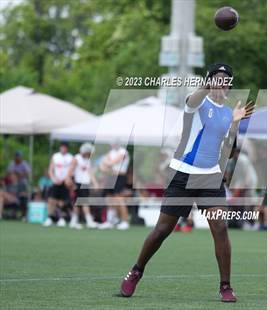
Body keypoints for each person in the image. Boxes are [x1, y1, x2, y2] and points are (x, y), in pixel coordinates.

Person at [119, 63, 254, 302]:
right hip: (183, 174)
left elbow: (228, 151)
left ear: (230, 85)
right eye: (216, 77)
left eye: (225, 78)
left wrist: (235, 123)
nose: (221, 81)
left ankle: (225, 286)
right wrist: (207, 84)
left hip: (210, 177)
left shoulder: (228, 112)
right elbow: (192, 100)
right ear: (209, 80)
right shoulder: (199, 101)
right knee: (162, 231)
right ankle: (136, 271)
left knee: (220, 228)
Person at [98, 143, 130, 230]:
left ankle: (125, 221)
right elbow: (102, 166)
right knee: (109, 198)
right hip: (111, 177)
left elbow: (110, 163)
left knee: (119, 199)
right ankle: (110, 221)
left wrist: (106, 163)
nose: (113, 144)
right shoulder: (111, 152)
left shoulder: (123, 152)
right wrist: (106, 164)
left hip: (120, 177)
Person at [68, 143, 99, 229]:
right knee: (81, 203)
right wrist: (71, 183)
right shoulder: (77, 158)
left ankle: (74, 221)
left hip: (86, 183)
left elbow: (90, 172)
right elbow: (70, 171)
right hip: (78, 183)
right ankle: (87, 221)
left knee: (81, 203)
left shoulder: (88, 160)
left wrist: (95, 183)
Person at [43, 142, 74, 227]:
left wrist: (66, 178)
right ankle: (49, 218)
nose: (63, 149)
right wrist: (54, 178)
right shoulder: (55, 156)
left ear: (67, 148)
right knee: (51, 200)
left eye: (65, 147)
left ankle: (61, 219)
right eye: (62, 147)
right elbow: (51, 169)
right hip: (55, 182)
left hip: (65, 182)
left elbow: (71, 170)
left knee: (62, 202)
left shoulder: (70, 157)